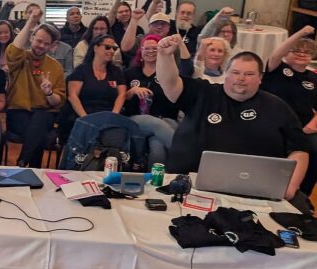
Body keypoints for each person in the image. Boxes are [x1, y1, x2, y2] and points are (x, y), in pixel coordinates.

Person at [156, 34, 308, 203]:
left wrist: (290, 186)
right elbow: (169, 82)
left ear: (260, 78)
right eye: (235, 72)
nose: (241, 78)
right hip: (189, 185)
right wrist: (165, 55)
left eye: (249, 74)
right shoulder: (202, 92)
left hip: (257, 191)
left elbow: (300, 149)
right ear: (227, 73)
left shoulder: (278, 107)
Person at [5, 8, 67, 167]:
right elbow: (13, 51)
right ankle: (32, 169)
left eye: (46, 43)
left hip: (45, 113)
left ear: (53, 46)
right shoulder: (21, 58)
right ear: (32, 37)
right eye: (38, 40)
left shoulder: (56, 67)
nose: (41, 45)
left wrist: (49, 93)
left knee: (41, 117)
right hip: (18, 112)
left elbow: (57, 102)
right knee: (40, 136)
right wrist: (31, 22)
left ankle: (22, 161)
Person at [262, 26, 317, 197]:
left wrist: (309, 128)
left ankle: (302, 196)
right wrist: (301, 33)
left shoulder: (314, 78)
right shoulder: (277, 69)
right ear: (287, 53)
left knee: (314, 150)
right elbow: (277, 53)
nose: (301, 54)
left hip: (302, 128)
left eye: (306, 52)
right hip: (272, 122)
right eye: (296, 50)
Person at [122, 34, 180, 167]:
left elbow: (176, 98)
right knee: (155, 123)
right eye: (147, 49)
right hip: (135, 119)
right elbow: (119, 99)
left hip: (163, 119)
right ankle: (187, 155)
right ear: (141, 51)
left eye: (155, 49)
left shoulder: (167, 73)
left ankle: (154, 184)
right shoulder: (129, 73)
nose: (150, 52)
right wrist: (132, 92)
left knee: (157, 150)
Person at [60, 33, 127, 141]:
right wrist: (86, 118)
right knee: (88, 132)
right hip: (83, 114)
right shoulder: (81, 70)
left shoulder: (116, 72)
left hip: (108, 114)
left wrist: (113, 115)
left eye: (114, 48)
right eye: (107, 47)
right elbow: (73, 96)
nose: (111, 51)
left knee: (116, 134)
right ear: (95, 47)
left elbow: (122, 94)